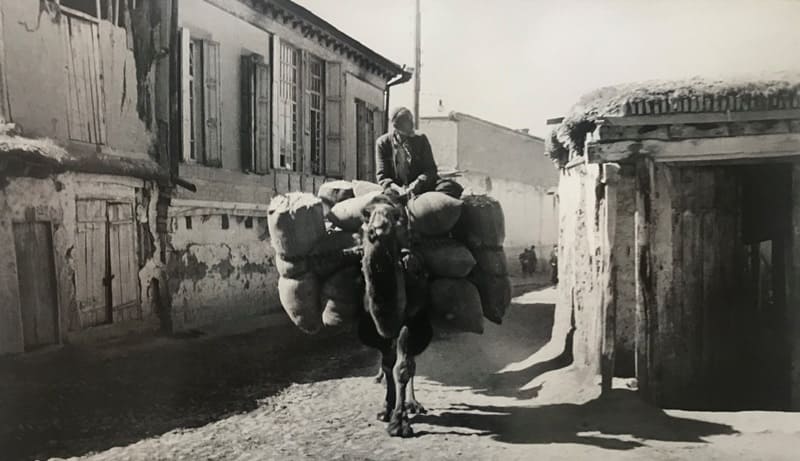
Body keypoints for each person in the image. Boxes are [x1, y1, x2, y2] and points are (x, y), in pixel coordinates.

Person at [375, 107, 462, 200]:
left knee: (451, 187)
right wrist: (398, 189)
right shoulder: (383, 143)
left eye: (411, 120)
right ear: (396, 126)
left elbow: (431, 169)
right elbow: (383, 176)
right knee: (383, 204)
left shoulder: (421, 139)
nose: (412, 125)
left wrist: (418, 183)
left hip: (422, 187)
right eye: (407, 123)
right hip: (396, 190)